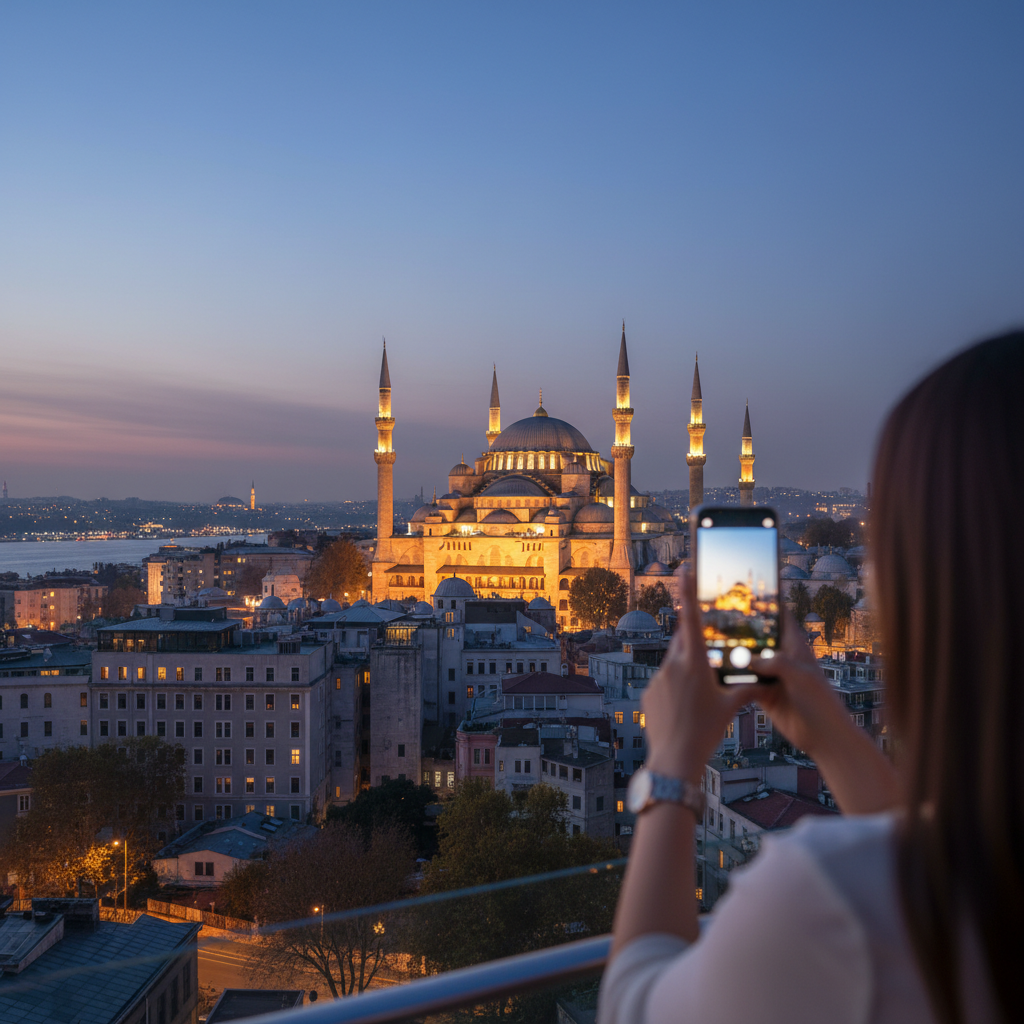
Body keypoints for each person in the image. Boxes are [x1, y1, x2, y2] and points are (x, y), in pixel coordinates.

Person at [598, 332, 1022, 1024]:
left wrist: (672, 764)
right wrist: (825, 725)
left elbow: (631, 1007)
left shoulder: (824, 897)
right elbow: (921, 874)